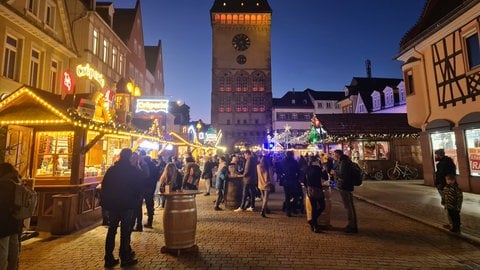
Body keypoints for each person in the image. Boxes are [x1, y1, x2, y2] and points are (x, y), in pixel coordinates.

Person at [100, 148, 141, 268]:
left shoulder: (112, 170)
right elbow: (138, 188)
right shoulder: (132, 170)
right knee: (125, 231)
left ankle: (108, 258)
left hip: (113, 205)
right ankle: (125, 257)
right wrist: (136, 200)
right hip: (127, 205)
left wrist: (106, 203)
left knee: (112, 230)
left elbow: (104, 186)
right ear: (129, 157)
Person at [0, 163, 23, 270]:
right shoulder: (18, 182)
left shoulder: (3, 184)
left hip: (3, 222)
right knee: (13, 250)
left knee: (2, 251)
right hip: (16, 221)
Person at [330, 149, 358, 233]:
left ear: (338, 155)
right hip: (347, 185)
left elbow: (342, 174)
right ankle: (353, 224)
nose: (333, 156)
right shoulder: (345, 161)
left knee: (348, 206)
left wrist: (334, 172)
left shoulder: (343, 162)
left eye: (334, 154)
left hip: (345, 186)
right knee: (350, 205)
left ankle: (352, 225)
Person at [305, 155, 326, 233]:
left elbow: (303, 180)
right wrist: (324, 170)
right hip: (317, 189)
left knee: (314, 207)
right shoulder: (317, 169)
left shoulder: (307, 169)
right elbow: (325, 177)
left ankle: (314, 224)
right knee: (322, 206)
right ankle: (313, 221)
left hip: (309, 189)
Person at [280, 151, 302, 217]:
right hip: (293, 180)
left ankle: (288, 211)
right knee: (295, 195)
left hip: (286, 180)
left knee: (287, 196)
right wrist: (298, 178)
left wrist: (282, 176)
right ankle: (294, 208)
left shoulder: (283, 161)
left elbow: (280, 170)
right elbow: (298, 170)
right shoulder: (294, 162)